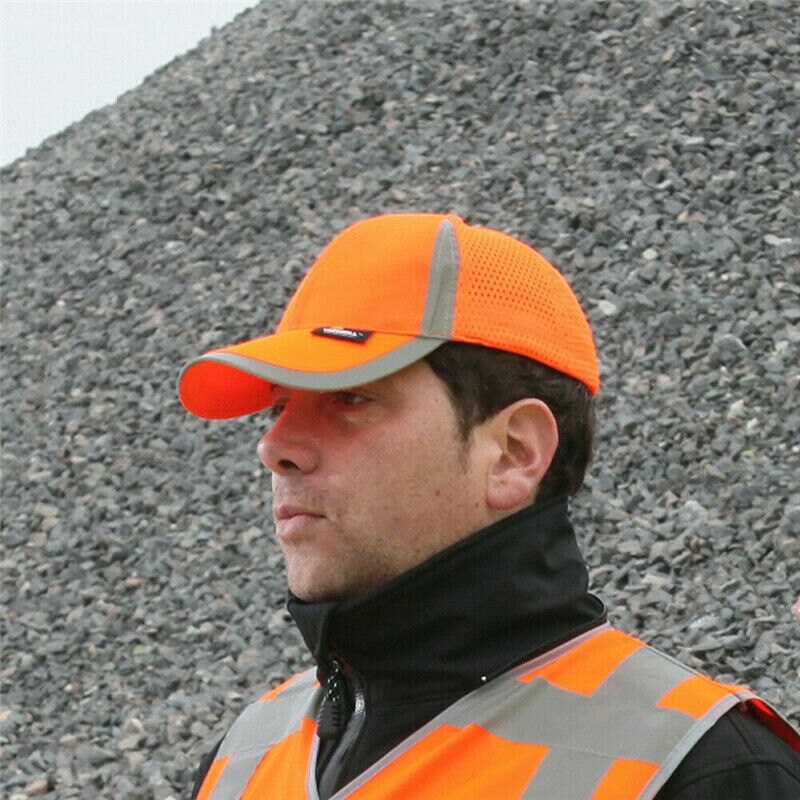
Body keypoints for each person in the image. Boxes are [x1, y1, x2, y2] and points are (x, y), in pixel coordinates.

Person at [179, 213, 800, 799]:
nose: (274, 446)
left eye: (348, 398)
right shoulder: (242, 761)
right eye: (277, 406)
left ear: (512, 454)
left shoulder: (703, 769)